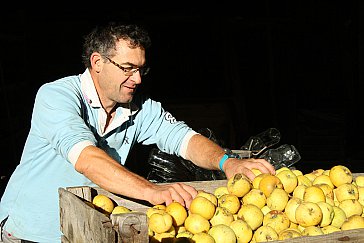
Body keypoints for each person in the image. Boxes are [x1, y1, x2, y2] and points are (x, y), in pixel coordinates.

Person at [0, 22, 275, 242]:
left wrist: (228, 162)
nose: (138, 79)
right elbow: (86, 159)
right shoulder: (56, 96)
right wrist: (152, 191)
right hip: (30, 232)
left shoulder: (138, 107)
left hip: (84, 231)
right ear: (97, 63)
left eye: (141, 69)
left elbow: (184, 138)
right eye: (128, 68)